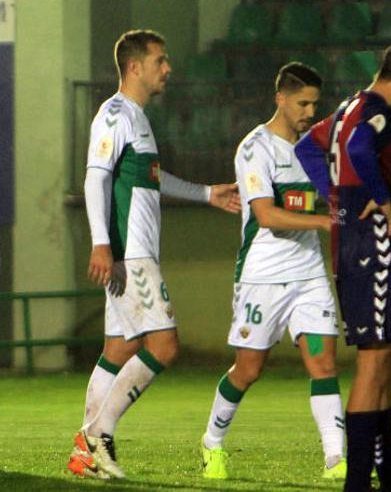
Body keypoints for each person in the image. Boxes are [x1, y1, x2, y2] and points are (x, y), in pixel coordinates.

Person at [67, 29, 240, 480]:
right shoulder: (115, 114)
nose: (168, 68)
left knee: (119, 348)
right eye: (160, 60)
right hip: (131, 253)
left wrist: (206, 194)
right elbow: (94, 179)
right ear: (135, 66)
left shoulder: (138, 118)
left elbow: (151, 179)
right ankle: (96, 436)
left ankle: (84, 452)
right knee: (163, 346)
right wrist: (102, 243)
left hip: (129, 251)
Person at [294, 39, 391, 492]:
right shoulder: (378, 110)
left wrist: (333, 195)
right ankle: (358, 483)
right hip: (370, 243)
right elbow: (359, 150)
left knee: (386, 360)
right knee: (375, 363)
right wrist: (377, 196)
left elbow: (306, 148)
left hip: (353, 241)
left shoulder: (346, 107)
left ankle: (389, 475)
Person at [199, 62, 345, 481]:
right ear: (280, 98)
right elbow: (264, 214)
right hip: (261, 277)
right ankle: (212, 442)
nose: (309, 112)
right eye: (302, 103)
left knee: (323, 364)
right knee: (248, 370)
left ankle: (336, 460)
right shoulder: (254, 148)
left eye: (315, 104)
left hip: (309, 275)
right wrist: (324, 223)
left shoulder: (311, 149)